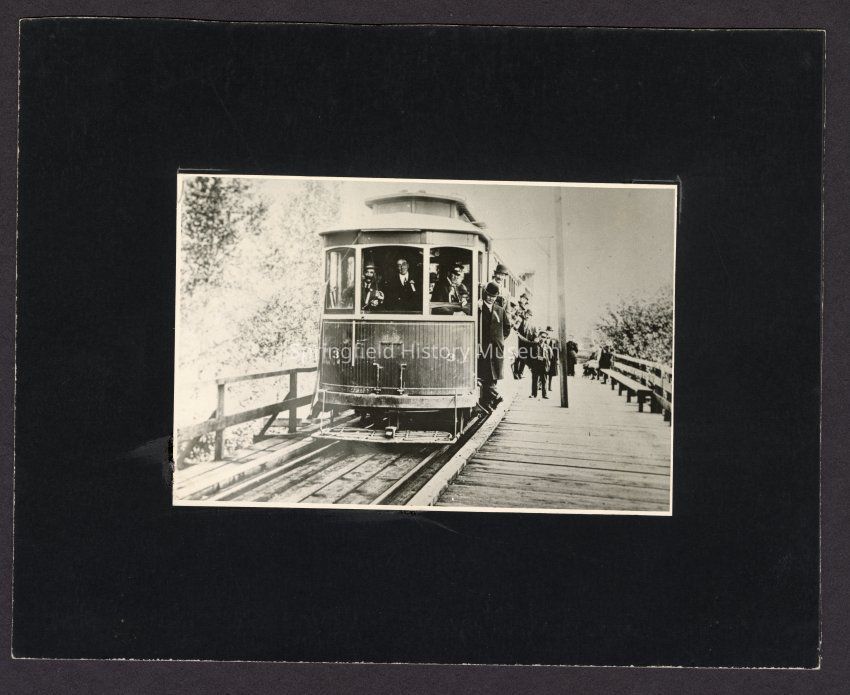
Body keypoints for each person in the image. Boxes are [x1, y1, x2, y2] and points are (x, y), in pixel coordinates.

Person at [477, 281, 511, 412]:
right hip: (483, 349)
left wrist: (499, 339)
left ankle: (491, 402)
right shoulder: (479, 309)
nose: (491, 298)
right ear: (485, 294)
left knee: (493, 377)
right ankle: (493, 399)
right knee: (485, 376)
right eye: (489, 295)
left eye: (494, 296)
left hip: (496, 349)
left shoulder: (500, 310)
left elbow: (507, 328)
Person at [530, 329, 553, 399]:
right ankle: (533, 394)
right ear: (539, 336)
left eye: (545, 337)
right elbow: (531, 356)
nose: (543, 338)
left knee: (544, 380)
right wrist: (531, 365)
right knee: (535, 380)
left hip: (544, 366)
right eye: (542, 336)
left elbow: (550, 356)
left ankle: (544, 394)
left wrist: (547, 363)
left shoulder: (548, 347)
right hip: (536, 365)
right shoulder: (534, 346)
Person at [514, 308, 535, 379]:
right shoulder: (520, 320)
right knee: (519, 358)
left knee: (524, 358)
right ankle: (516, 372)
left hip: (527, 343)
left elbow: (532, 334)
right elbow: (516, 329)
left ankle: (520, 373)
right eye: (527, 314)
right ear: (525, 314)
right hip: (519, 342)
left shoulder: (531, 324)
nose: (528, 316)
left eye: (530, 315)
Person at [546, 326, 560, 392]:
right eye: (548, 331)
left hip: (552, 358)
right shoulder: (544, 339)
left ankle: (549, 386)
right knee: (543, 372)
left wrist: (557, 359)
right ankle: (541, 385)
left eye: (551, 331)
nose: (549, 332)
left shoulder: (554, 341)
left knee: (551, 374)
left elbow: (557, 349)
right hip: (545, 358)